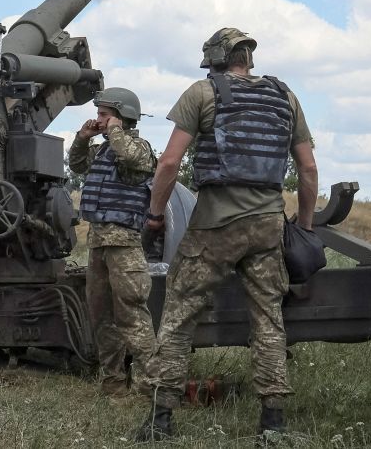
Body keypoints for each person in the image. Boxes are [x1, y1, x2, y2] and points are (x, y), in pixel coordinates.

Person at [135, 28, 318, 440]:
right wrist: (304, 227)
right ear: (248, 58)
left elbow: (167, 164)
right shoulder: (285, 97)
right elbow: (307, 169)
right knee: (269, 322)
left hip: (214, 225)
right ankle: (272, 423)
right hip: (268, 225)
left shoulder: (201, 93)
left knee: (179, 317)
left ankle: (160, 421)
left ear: (216, 59)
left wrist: (155, 215)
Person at [68, 87, 158, 396]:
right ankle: (114, 385)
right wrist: (83, 137)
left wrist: (116, 131)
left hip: (125, 246)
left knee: (132, 316)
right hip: (98, 245)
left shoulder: (139, 148)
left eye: (104, 115)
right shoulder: (104, 151)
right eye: (99, 114)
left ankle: (150, 388)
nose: (99, 120)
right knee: (102, 318)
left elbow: (131, 157)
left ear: (122, 118)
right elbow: (77, 165)